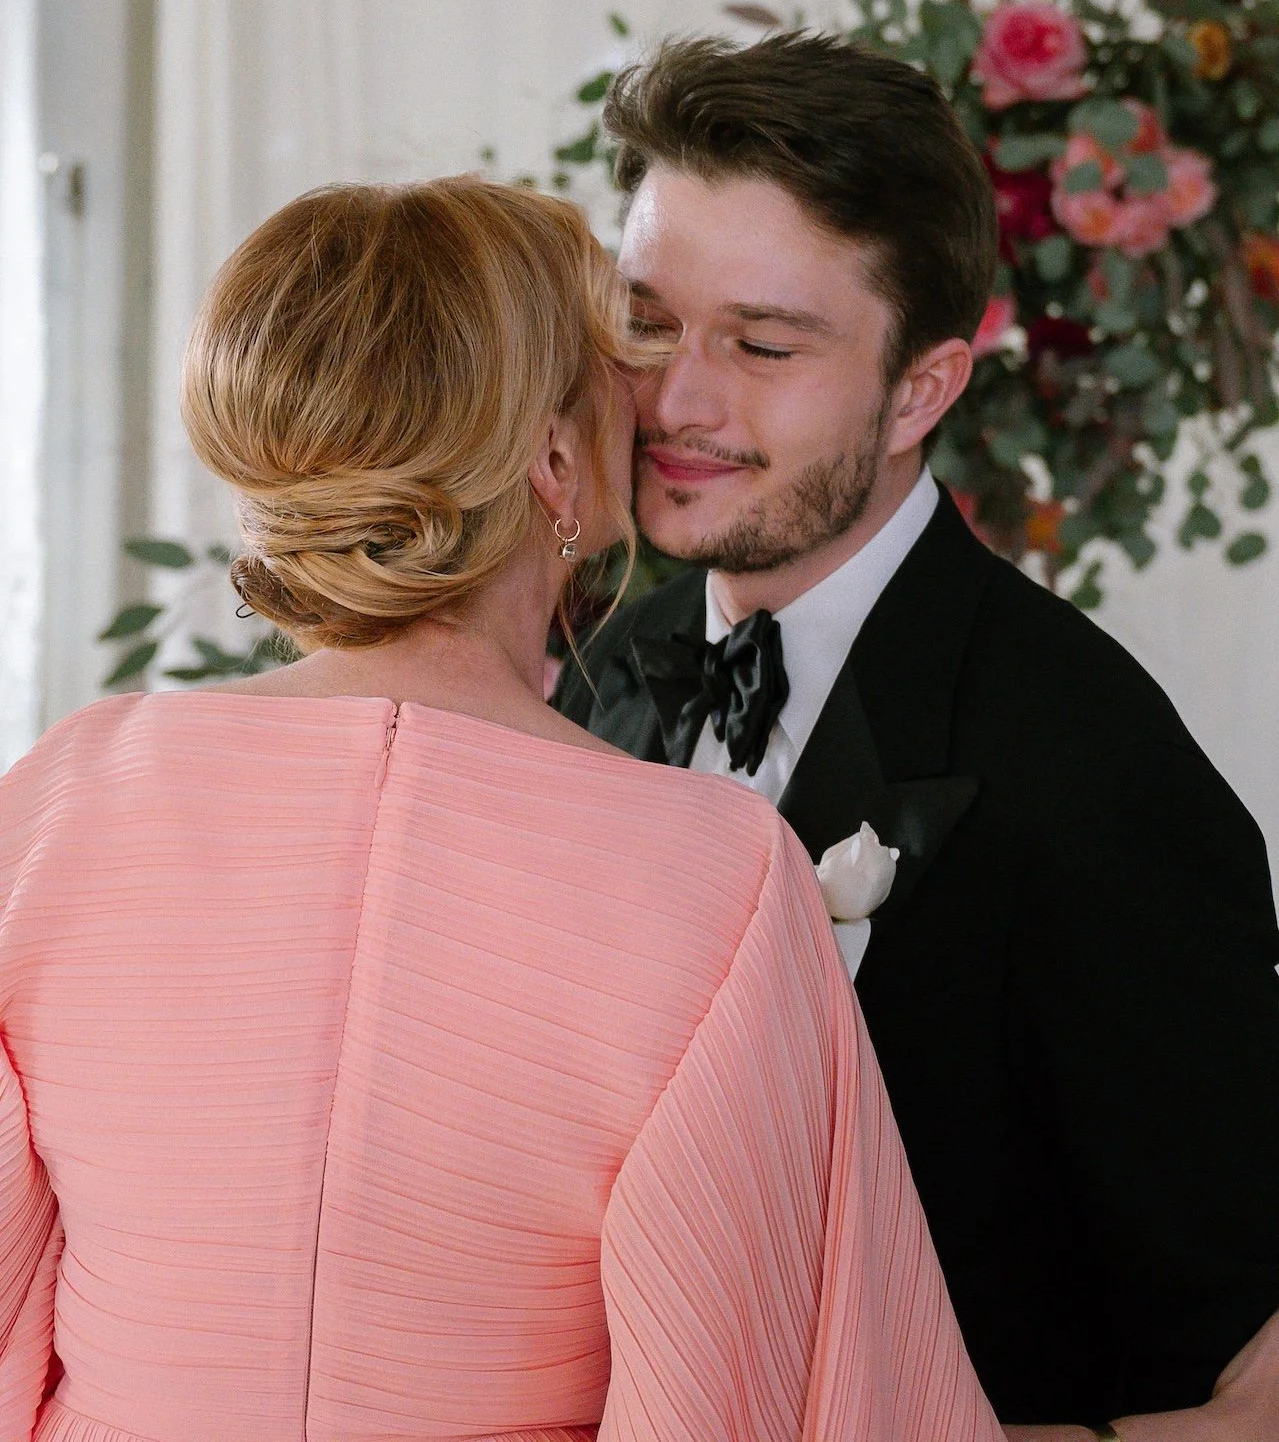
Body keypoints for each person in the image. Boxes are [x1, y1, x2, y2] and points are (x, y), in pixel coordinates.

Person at [0, 178, 1001, 1442]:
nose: (660, 407)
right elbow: (731, 1401)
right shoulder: (716, 874)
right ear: (554, 461)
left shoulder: (62, 803)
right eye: (620, 372)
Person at [553, 33, 1279, 1437]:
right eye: (647, 324)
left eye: (762, 346)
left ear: (921, 391)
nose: (675, 401)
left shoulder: (1091, 770)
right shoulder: (602, 671)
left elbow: (1231, 1364)